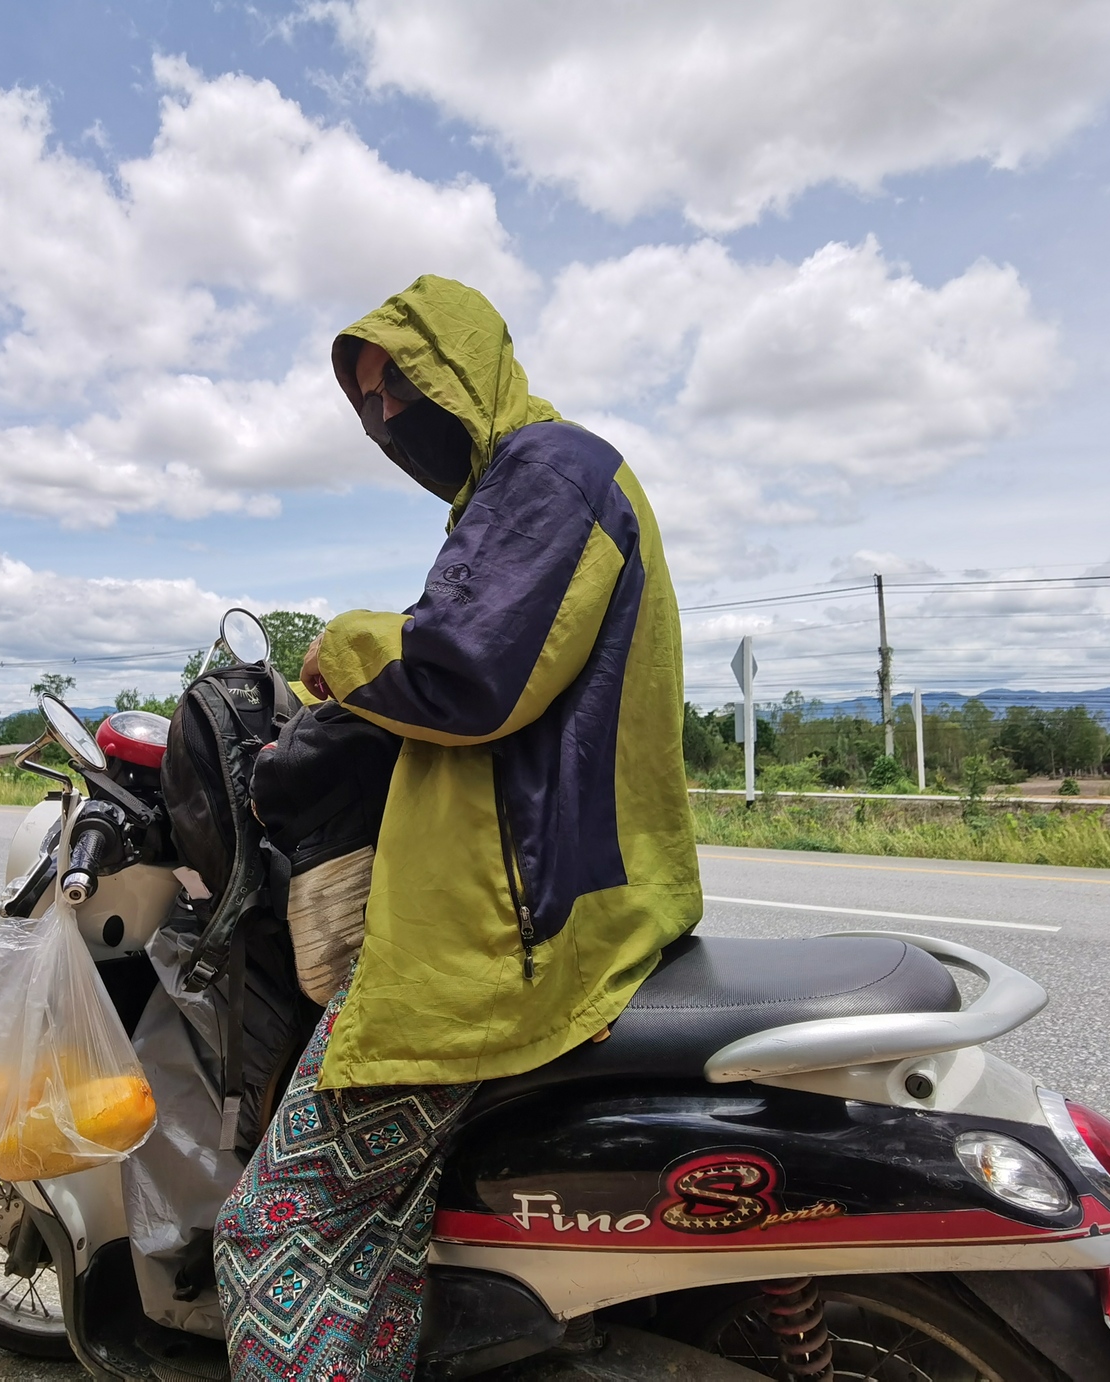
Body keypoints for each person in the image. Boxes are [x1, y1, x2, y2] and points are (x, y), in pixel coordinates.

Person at [213, 275, 701, 1380]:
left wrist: (337, 647)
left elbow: (464, 674)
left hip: (503, 936)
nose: (389, 422)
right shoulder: (515, 492)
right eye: (371, 407)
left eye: (402, 390)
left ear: (459, 369)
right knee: (381, 1224)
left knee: (275, 1226)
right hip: (568, 902)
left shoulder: (550, 472)